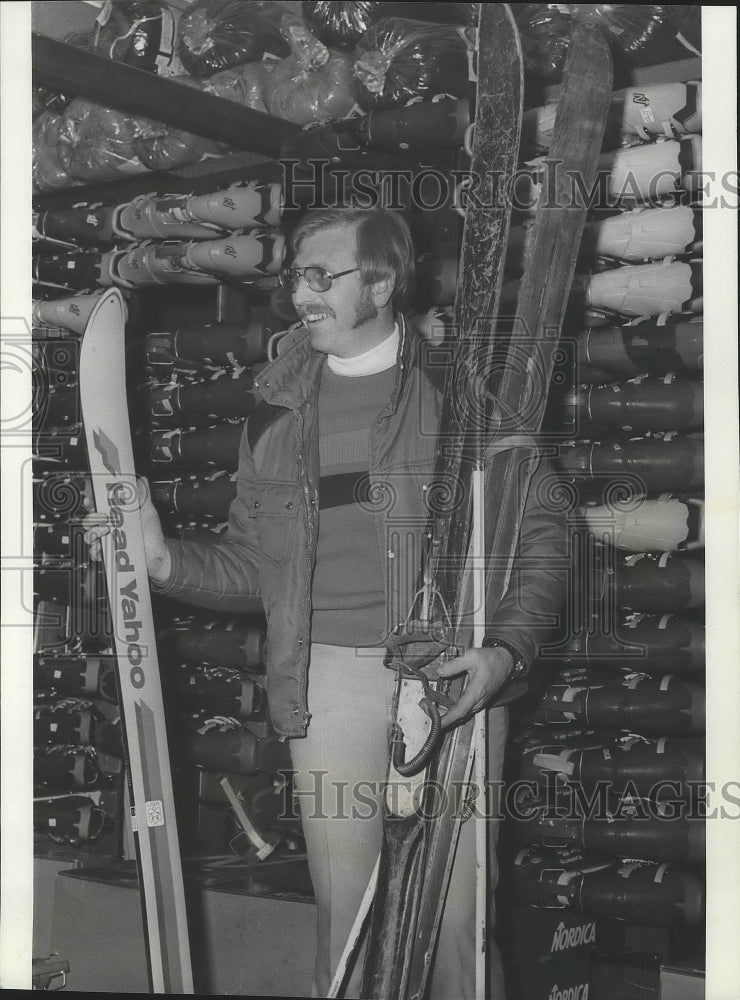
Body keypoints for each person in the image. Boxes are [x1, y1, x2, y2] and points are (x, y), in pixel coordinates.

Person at [86, 207, 567, 999]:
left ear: (380, 283)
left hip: (448, 670)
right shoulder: (273, 411)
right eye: (296, 276)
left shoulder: (462, 392)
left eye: (324, 276)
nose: (301, 293)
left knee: (453, 918)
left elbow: (543, 531)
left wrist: (505, 651)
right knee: (345, 911)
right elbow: (255, 567)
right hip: (327, 679)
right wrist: (165, 558)